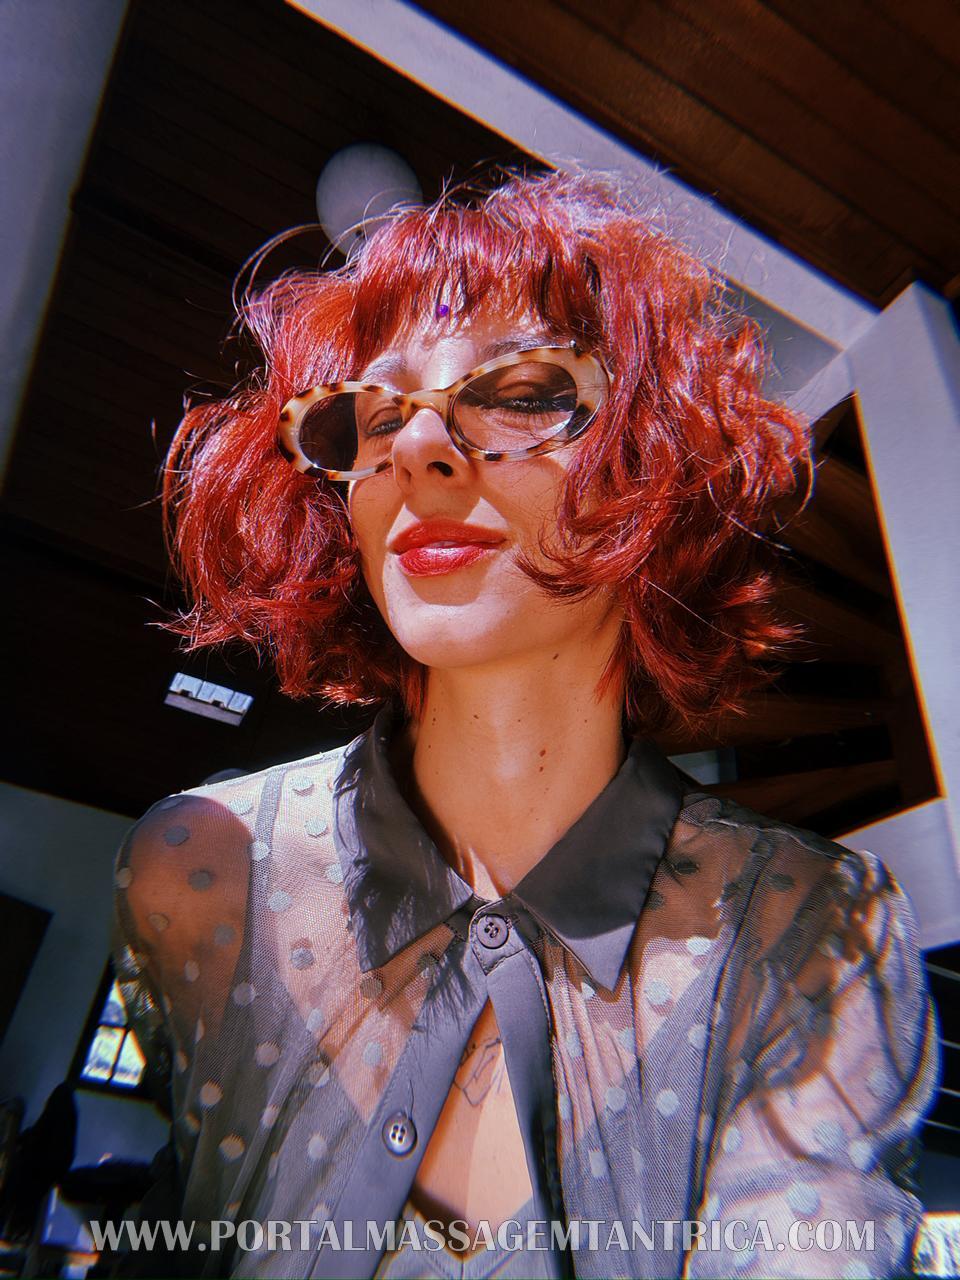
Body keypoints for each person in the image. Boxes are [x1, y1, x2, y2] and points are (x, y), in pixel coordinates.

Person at [113, 170, 938, 1279]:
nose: (416, 448)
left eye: (524, 389)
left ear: (654, 453)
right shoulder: (198, 872)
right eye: (371, 416)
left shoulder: (808, 933)